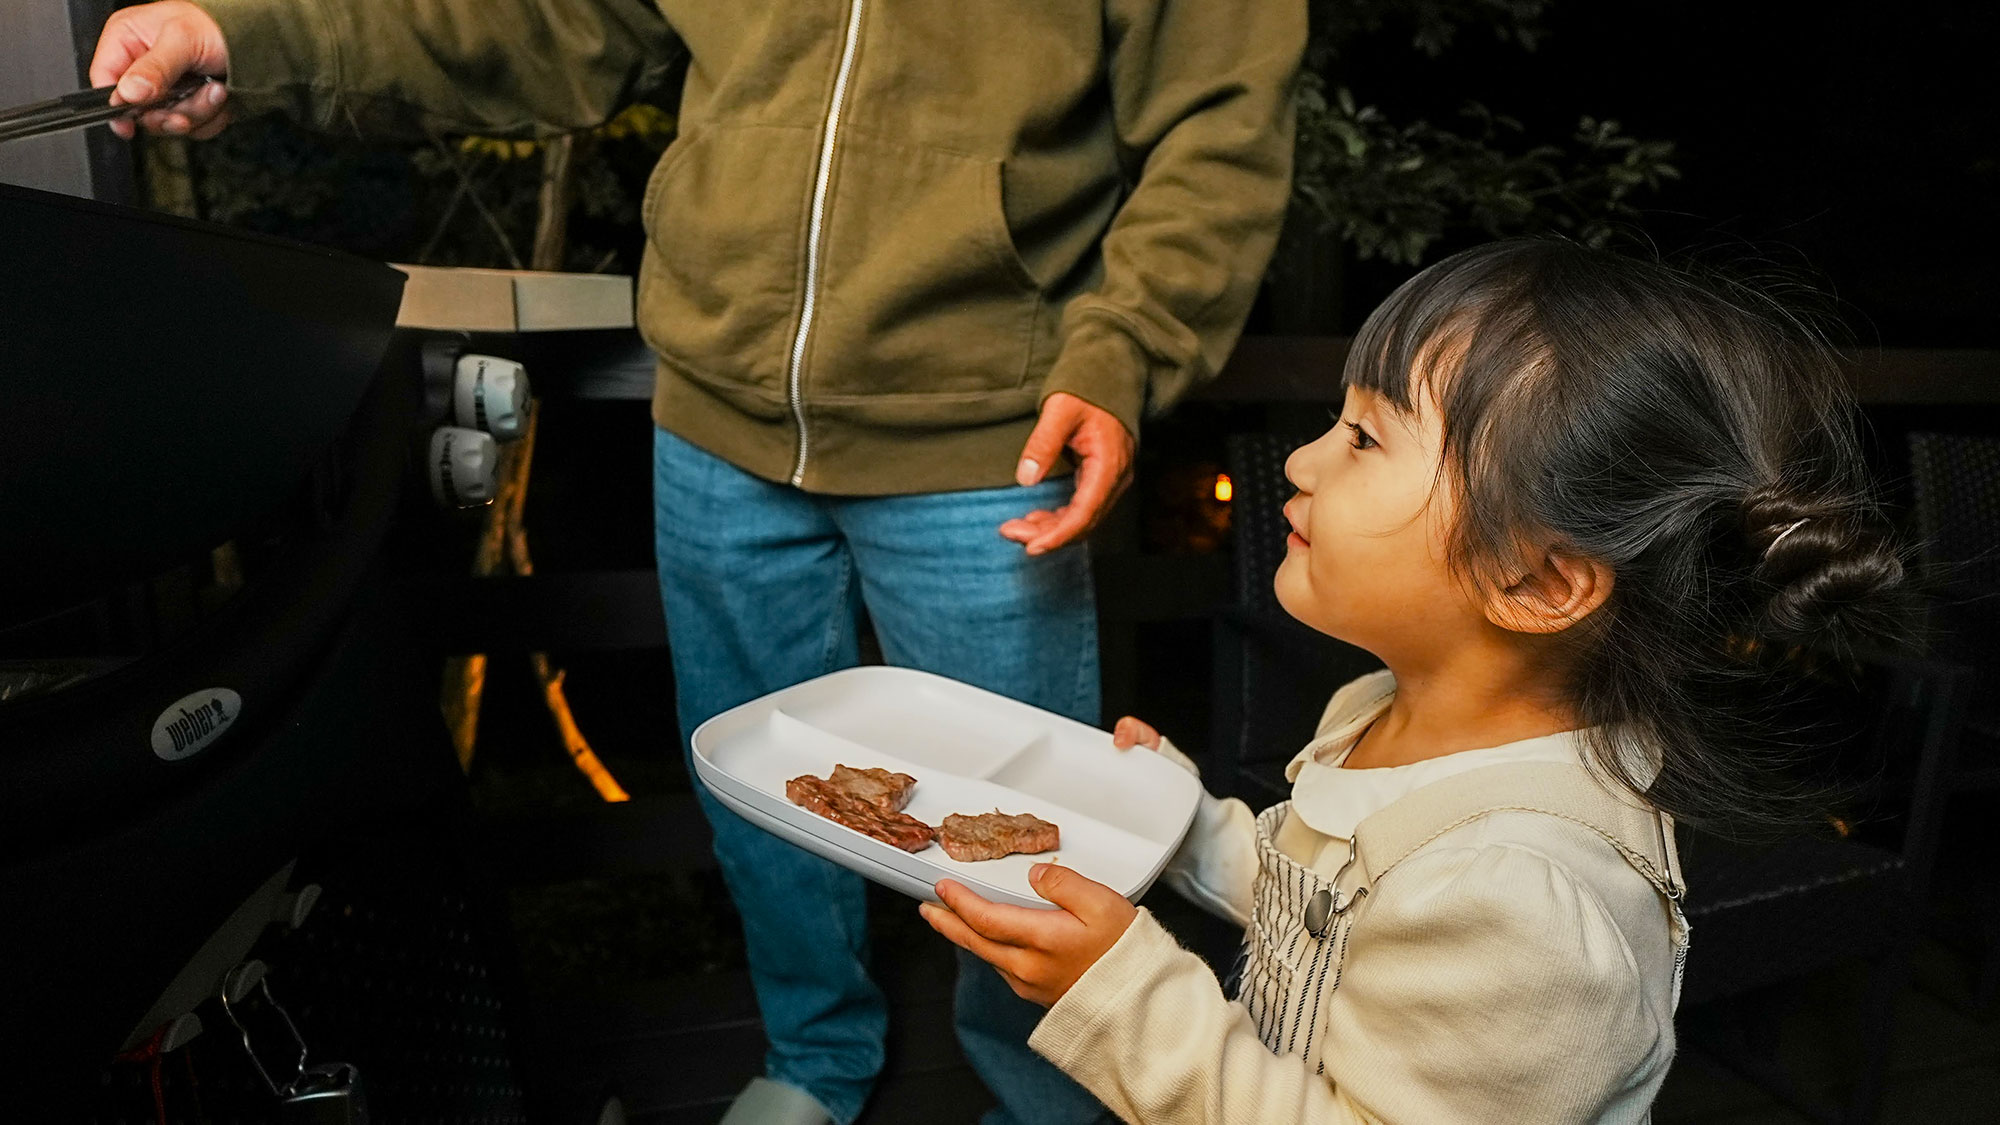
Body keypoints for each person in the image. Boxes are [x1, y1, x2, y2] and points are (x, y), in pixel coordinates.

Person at [90, 2, 1305, 1122]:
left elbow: (1221, 120)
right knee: (757, 791)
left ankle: (1050, 1101)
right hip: (713, 425)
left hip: (991, 426)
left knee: (1027, 828)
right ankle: (812, 1062)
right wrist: (245, 32)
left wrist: (1125, 349)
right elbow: (546, 21)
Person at [923, 239, 1910, 1122]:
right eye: (1333, 422)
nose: (1301, 464)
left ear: (1533, 578)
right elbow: (1323, 909)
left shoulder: (1520, 898)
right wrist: (1178, 822)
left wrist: (1121, 996)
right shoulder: (1381, 713)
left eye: (1363, 438)